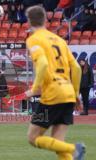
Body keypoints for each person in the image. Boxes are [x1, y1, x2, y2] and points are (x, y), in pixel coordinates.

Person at [24, 6, 85, 160]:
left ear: (28, 21)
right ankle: (71, 150)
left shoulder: (33, 39)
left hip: (52, 94)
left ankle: (74, 148)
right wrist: (76, 94)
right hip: (68, 93)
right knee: (58, 143)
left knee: (33, 137)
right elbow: (76, 68)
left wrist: (34, 89)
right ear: (45, 20)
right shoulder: (59, 40)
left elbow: (43, 64)